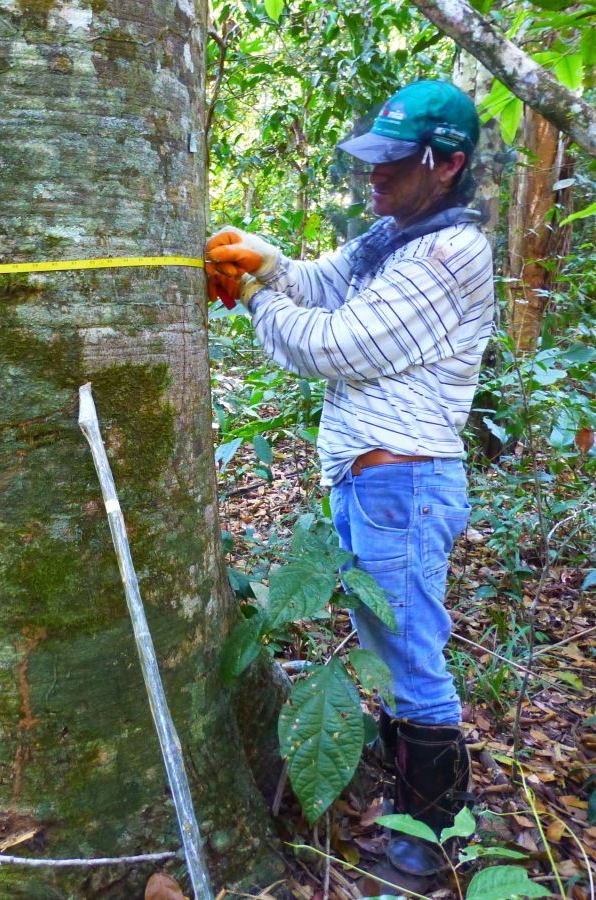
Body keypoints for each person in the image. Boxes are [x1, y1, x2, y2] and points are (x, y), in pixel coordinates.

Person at [206, 81, 496, 877]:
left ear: (447, 166)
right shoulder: (399, 234)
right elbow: (326, 283)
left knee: (409, 657)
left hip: (402, 486)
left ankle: (430, 842)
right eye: (373, 161)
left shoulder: (448, 251)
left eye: (394, 165)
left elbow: (334, 344)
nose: (376, 177)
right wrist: (265, 257)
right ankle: (418, 809)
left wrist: (255, 291)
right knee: (395, 643)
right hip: (377, 484)